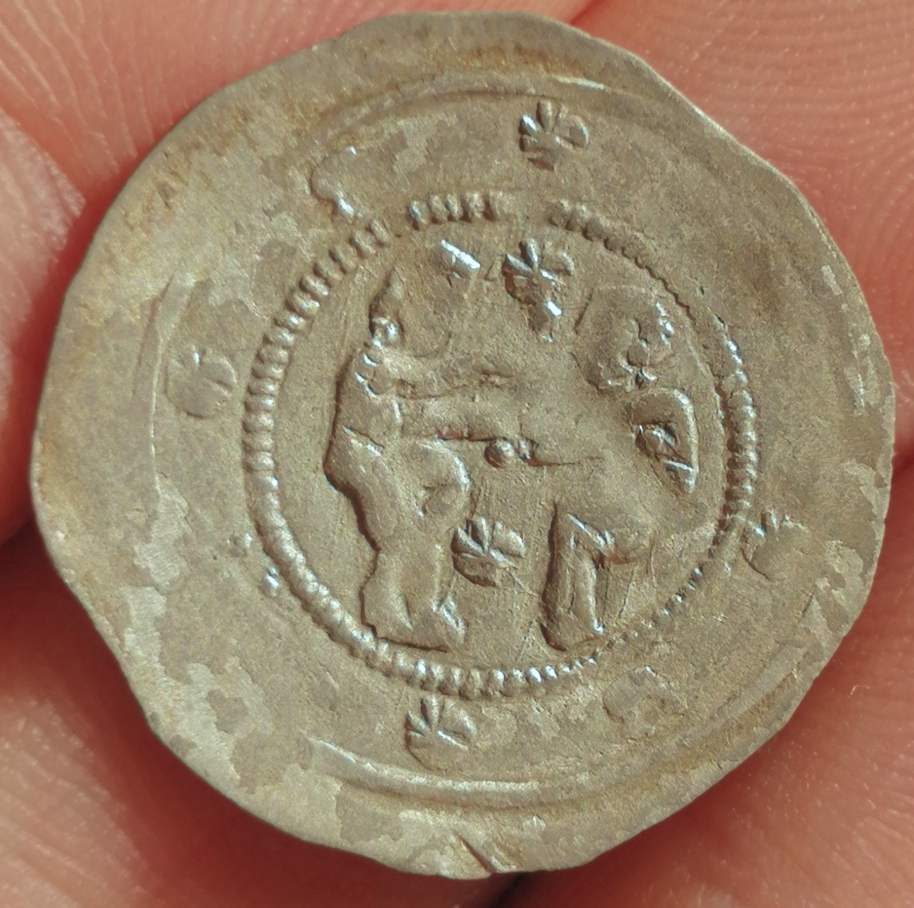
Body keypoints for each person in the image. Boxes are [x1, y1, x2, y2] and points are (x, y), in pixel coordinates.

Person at [0, 2, 912, 905]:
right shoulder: (388, 356)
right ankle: (413, 603)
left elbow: (477, 404)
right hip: (386, 460)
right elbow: (447, 408)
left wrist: (464, 421)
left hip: (570, 503)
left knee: (448, 502)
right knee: (428, 503)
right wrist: (443, 422)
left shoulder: (576, 396)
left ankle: (446, 600)